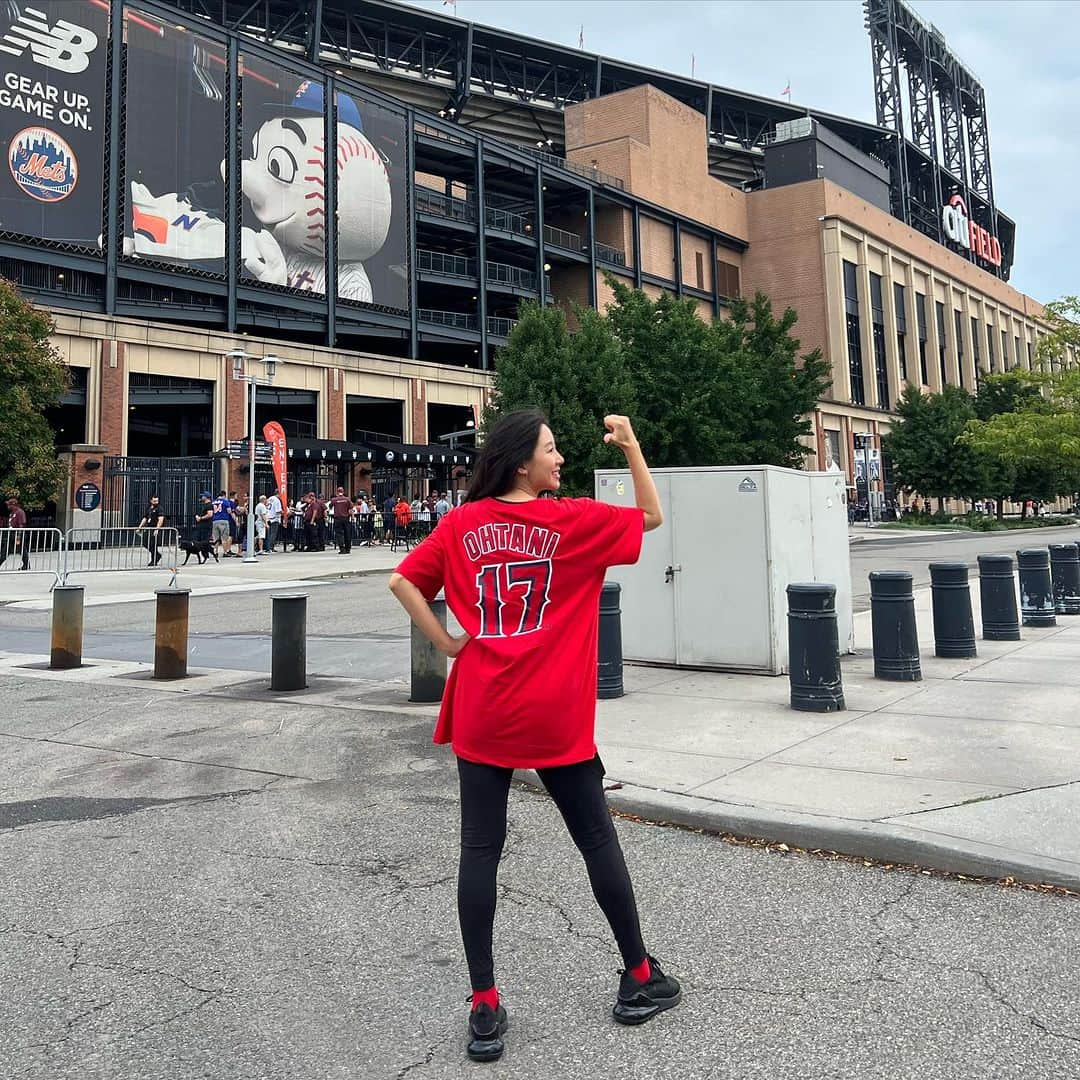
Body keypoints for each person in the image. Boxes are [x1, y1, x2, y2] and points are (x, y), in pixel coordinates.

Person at [389, 410, 681, 1064]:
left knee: (480, 851)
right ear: (523, 462)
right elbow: (652, 517)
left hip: (485, 708)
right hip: (555, 712)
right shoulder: (571, 520)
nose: (560, 460)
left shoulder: (461, 525)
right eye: (551, 451)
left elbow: (403, 581)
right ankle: (639, 976)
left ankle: (485, 1004)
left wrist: (446, 644)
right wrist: (633, 445)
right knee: (596, 838)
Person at [0, 496, 29, 570]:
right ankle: (26, 565)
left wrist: (18, 537)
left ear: (13, 505)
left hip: (18, 534)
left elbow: (21, 525)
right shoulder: (12, 513)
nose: (8, 506)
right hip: (12, 534)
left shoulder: (20, 512)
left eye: (9, 505)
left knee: (22, 550)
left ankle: (26, 565)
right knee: (6, 550)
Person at [136, 494, 166, 566]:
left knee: (153, 544)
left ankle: (154, 560)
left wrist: (157, 529)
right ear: (151, 501)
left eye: (157, 501)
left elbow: (161, 519)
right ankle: (157, 555)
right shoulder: (149, 508)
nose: (156, 502)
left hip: (155, 529)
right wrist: (140, 527)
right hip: (148, 528)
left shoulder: (159, 508)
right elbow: (145, 518)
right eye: (154, 501)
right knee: (145, 543)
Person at [211, 490, 236, 557]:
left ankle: (216, 552)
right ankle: (225, 552)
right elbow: (229, 511)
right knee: (224, 538)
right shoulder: (225, 501)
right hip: (224, 520)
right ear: (224, 495)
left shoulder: (213, 502)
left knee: (215, 538)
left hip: (215, 521)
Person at [330, 486, 353, 555]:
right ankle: (348, 549)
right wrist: (352, 517)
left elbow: (330, 506)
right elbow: (351, 509)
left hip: (338, 518)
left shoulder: (334, 500)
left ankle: (342, 549)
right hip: (346, 518)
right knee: (347, 533)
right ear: (343, 492)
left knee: (339, 534)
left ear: (337, 492)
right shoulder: (347, 499)